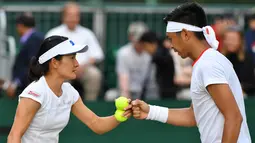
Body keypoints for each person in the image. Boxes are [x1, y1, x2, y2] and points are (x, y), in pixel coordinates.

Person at [131, 2, 251, 143]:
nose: (170, 45)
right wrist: (150, 111)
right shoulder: (206, 62)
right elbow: (193, 116)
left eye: (171, 38)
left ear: (186, 34)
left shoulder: (208, 64)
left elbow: (234, 118)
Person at [7, 36, 132, 143]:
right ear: (54, 62)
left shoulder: (69, 92)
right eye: (72, 58)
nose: (77, 63)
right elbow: (14, 136)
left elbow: (96, 124)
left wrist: (120, 115)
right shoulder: (35, 93)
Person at [45, 2, 104, 101]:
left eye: (76, 15)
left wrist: (82, 66)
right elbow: (47, 56)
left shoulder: (87, 33)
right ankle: (60, 105)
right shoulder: (53, 33)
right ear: (63, 17)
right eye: (70, 15)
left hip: (84, 68)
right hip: (61, 68)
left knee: (94, 74)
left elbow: (97, 55)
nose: (73, 18)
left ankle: (90, 107)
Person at [0, 12, 44, 97]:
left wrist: (15, 84)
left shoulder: (34, 39)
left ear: (20, 26)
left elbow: (31, 64)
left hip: (29, 87)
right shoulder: (33, 38)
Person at [116, 21, 153, 99]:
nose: (140, 42)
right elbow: (124, 81)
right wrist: (127, 100)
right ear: (130, 37)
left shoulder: (150, 53)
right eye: (138, 39)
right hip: (129, 93)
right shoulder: (123, 53)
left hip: (148, 93)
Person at [139, 31, 176, 99]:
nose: (145, 50)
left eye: (145, 46)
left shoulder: (161, 56)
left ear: (153, 44)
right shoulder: (161, 53)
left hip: (165, 96)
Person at [222, 26, 255, 96]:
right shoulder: (220, 58)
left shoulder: (248, 58)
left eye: (233, 39)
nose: (230, 42)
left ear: (240, 40)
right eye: (228, 39)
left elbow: (251, 84)